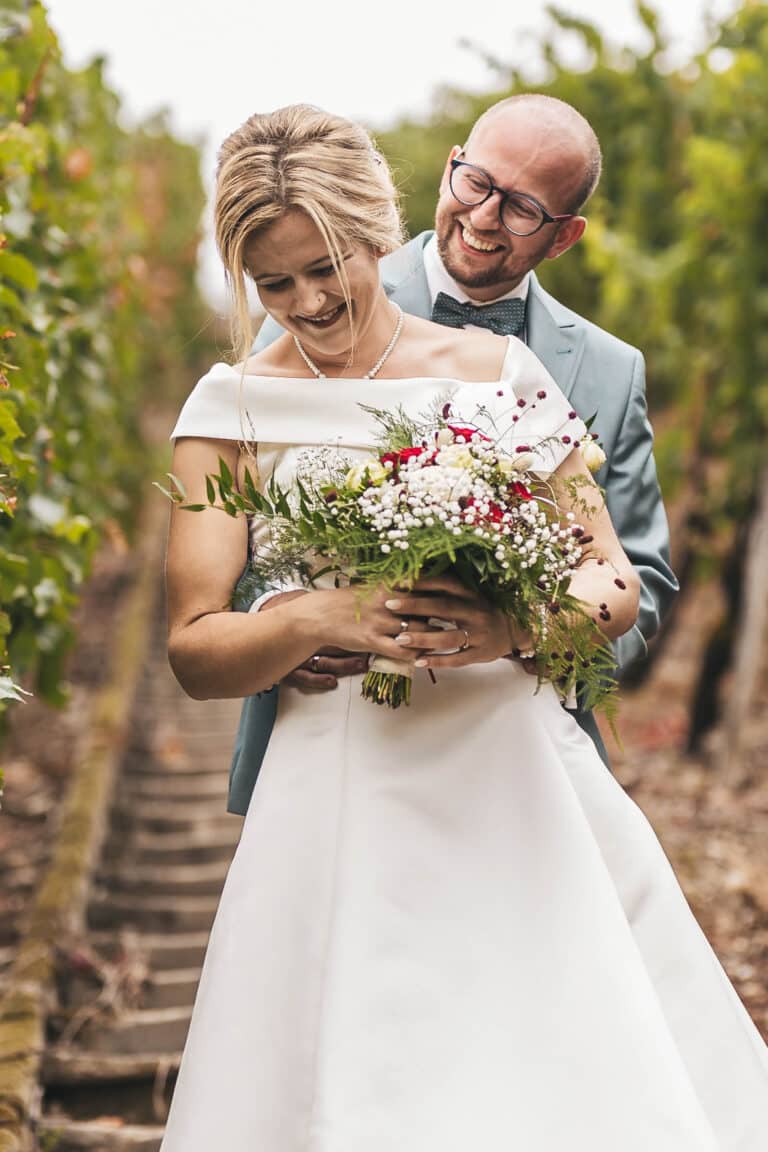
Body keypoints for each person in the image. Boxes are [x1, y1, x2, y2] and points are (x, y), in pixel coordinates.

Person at [161, 103, 768, 1151]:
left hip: (507, 767)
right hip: (334, 783)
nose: (307, 302)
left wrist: (511, 627)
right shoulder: (229, 404)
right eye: (274, 284)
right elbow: (194, 647)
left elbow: (615, 586)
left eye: (327, 268)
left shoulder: (497, 378)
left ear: (372, 233)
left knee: (556, 1050)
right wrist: (317, 614)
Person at [225, 92, 678, 816]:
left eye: (524, 208)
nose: (485, 218)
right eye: (477, 183)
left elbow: (639, 579)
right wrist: (285, 617)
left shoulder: (608, 369)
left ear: (564, 237)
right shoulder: (317, 291)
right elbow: (248, 529)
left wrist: (523, 636)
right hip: (337, 749)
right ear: (450, 169)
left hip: (518, 754)